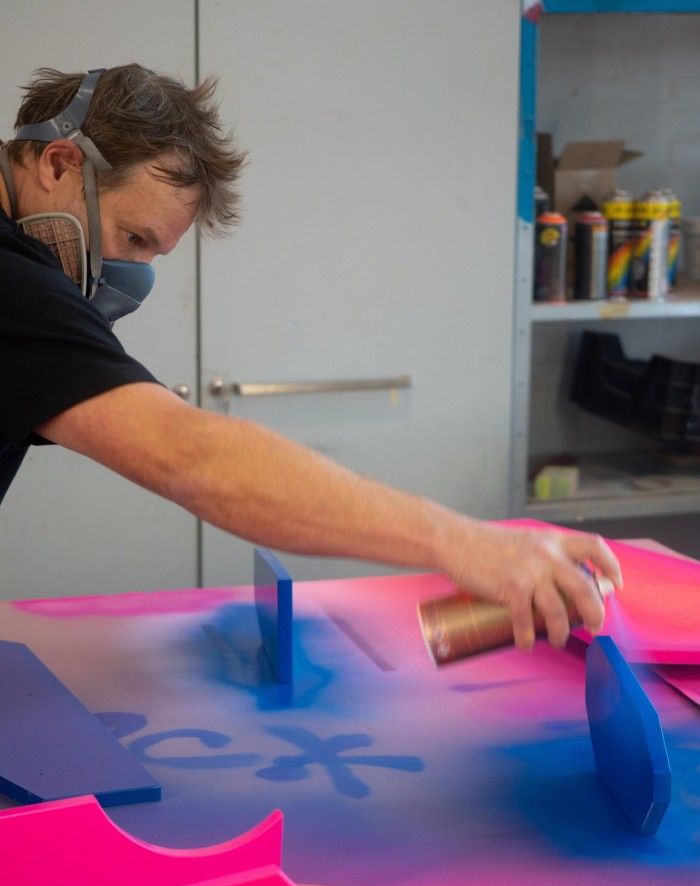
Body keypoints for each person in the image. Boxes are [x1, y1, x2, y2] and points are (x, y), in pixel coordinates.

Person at [0, 64, 622, 650]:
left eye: (151, 254)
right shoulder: (16, 285)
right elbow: (188, 455)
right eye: (133, 239)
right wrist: (464, 543)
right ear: (59, 163)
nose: (129, 277)